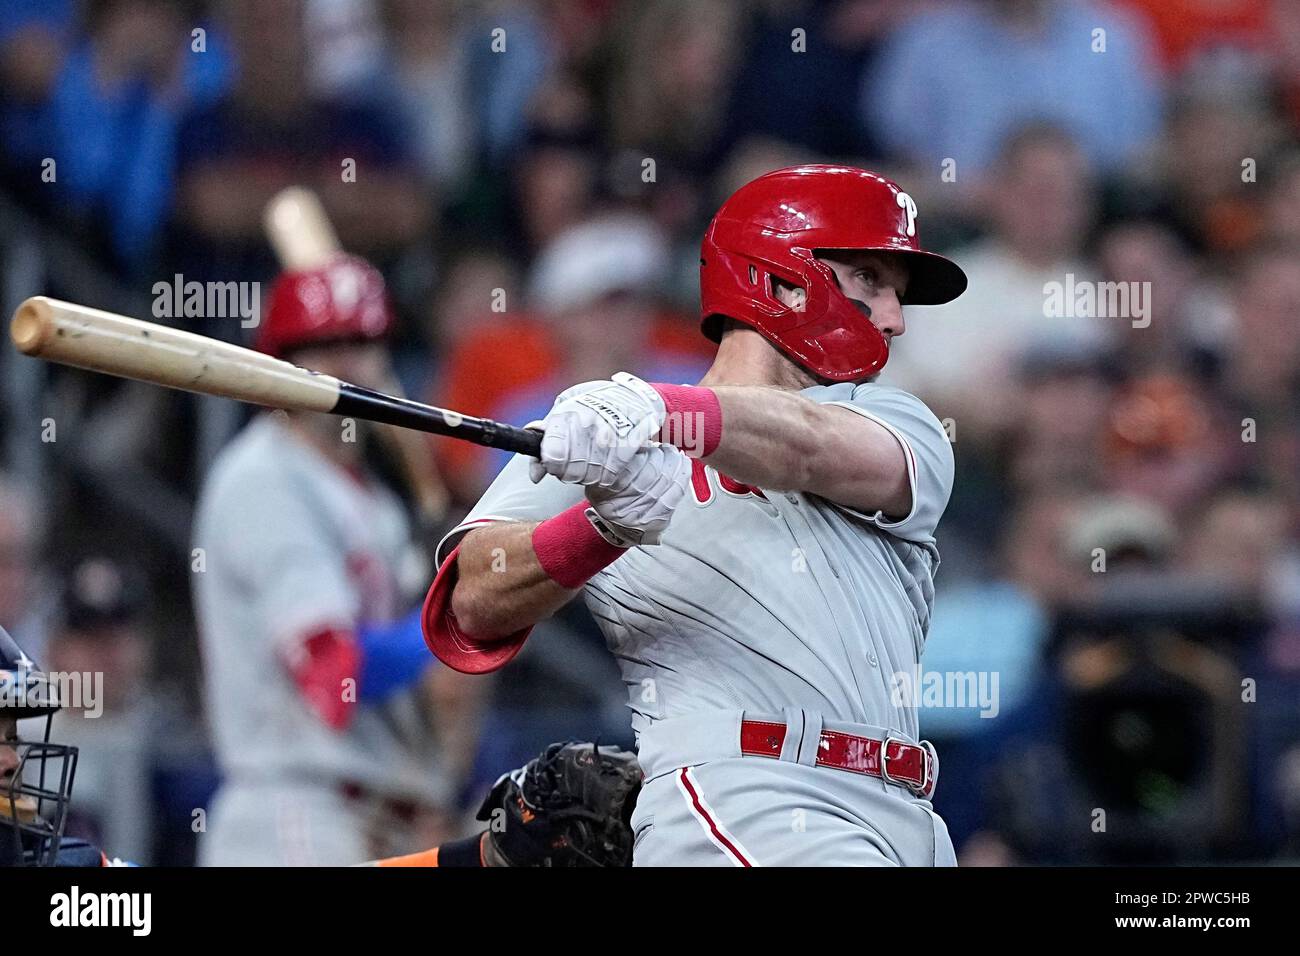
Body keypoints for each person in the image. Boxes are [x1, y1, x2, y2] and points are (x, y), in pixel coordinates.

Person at [423, 165, 967, 866]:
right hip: (744, 798)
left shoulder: (894, 416)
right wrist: (603, 527)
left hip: (910, 816)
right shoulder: (601, 436)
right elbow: (470, 602)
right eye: (869, 280)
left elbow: (807, 446)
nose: (893, 318)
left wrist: (662, 410)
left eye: (898, 295)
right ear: (776, 281)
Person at [193, 254, 479, 866]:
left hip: (382, 816)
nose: (350, 365)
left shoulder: (377, 500)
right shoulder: (264, 478)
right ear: (279, 367)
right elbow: (334, 675)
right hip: (297, 815)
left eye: (364, 342)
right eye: (323, 347)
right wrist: (456, 622)